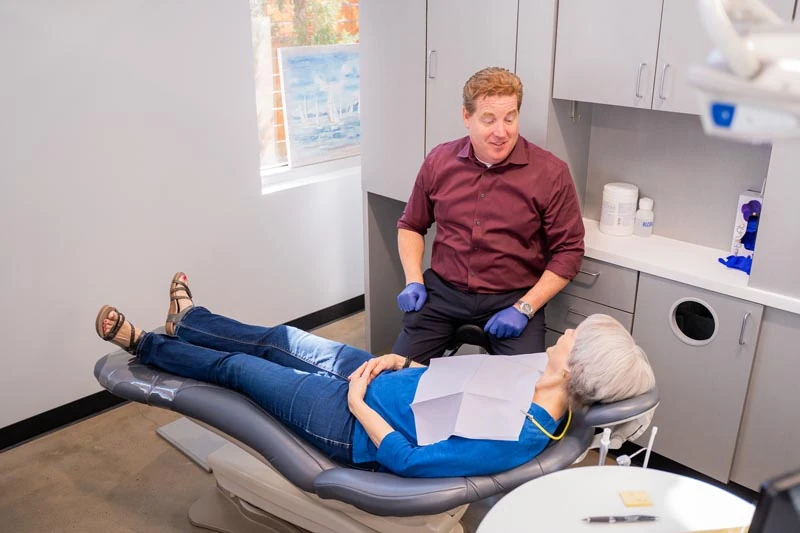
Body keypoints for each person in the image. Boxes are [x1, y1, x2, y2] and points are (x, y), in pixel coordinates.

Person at [95, 273, 655, 479]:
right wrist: (400, 362)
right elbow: (448, 384)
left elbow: (411, 460)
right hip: (376, 378)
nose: (566, 333)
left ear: (577, 368)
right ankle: (190, 319)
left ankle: (148, 344)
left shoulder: (523, 434)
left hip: (351, 421)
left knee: (242, 368)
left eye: (576, 338)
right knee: (277, 339)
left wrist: (360, 402)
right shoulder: (533, 373)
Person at [394, 67, 585, 363]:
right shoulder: (439, 161)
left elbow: (569, 250)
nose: (501, 131)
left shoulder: (550, 173)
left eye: (510, 118)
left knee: (520, 397)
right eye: (489, 119)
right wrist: (413, 280)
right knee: (396, 378)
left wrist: (526, 307)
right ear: (466, 117)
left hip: (513, 299)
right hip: (443, 294)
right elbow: (411, 225)